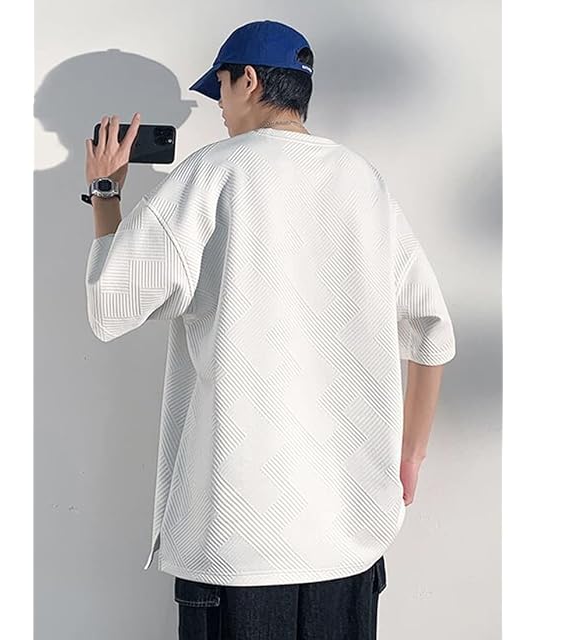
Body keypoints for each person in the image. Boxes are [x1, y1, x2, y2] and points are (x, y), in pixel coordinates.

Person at [83, 19, 456, 640]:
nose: (219, 106)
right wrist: (410, 455)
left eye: (221, 88)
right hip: (348, 543)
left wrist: (104, 192)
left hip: (236, 545)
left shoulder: (212, 173)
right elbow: (431, 330)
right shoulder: (364, 183)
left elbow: (110, 304)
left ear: (249, 80)